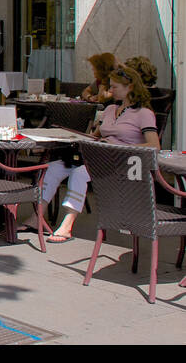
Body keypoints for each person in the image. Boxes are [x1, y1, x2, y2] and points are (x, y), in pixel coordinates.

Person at [39, 66, 160, 244]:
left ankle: (67, 225)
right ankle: (37, 217)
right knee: (54, 168)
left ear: (130, 87)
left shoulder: (143, 114)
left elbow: (154, 146)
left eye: (114, 87)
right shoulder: (110, 109)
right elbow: (95, 135)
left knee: (80, 173)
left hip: (123, 164)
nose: (110, 91)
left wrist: (116, 149)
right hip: (97, 157)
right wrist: (83, 137)